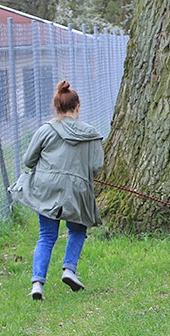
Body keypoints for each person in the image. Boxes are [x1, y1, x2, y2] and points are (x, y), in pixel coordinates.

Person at [10, 81, 104, 300]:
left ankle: (37, 285)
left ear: (56, 108)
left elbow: (28, 160)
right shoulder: (91, 134)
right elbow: (96, 166)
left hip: (46, 189)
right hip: (77, 189)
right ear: (78, 106)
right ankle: (69, 270)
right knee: (78, 230)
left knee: (46, 235)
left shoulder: (46, 130)